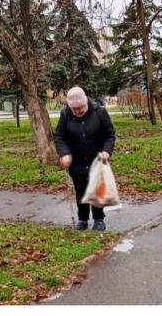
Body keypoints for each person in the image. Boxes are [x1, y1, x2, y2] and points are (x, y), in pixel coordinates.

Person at [53, 87, 116, 231]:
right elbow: (59, 137)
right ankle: (82, 219)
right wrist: (64, 153)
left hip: (97, 158)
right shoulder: (65, 114)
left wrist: (106, 151)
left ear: (86, 102)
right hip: (76, 160)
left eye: (80, 108)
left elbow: (110, 134)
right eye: (73, 109)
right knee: (80, 190)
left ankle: (99, 219)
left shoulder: (99, 112)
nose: (77, 111)